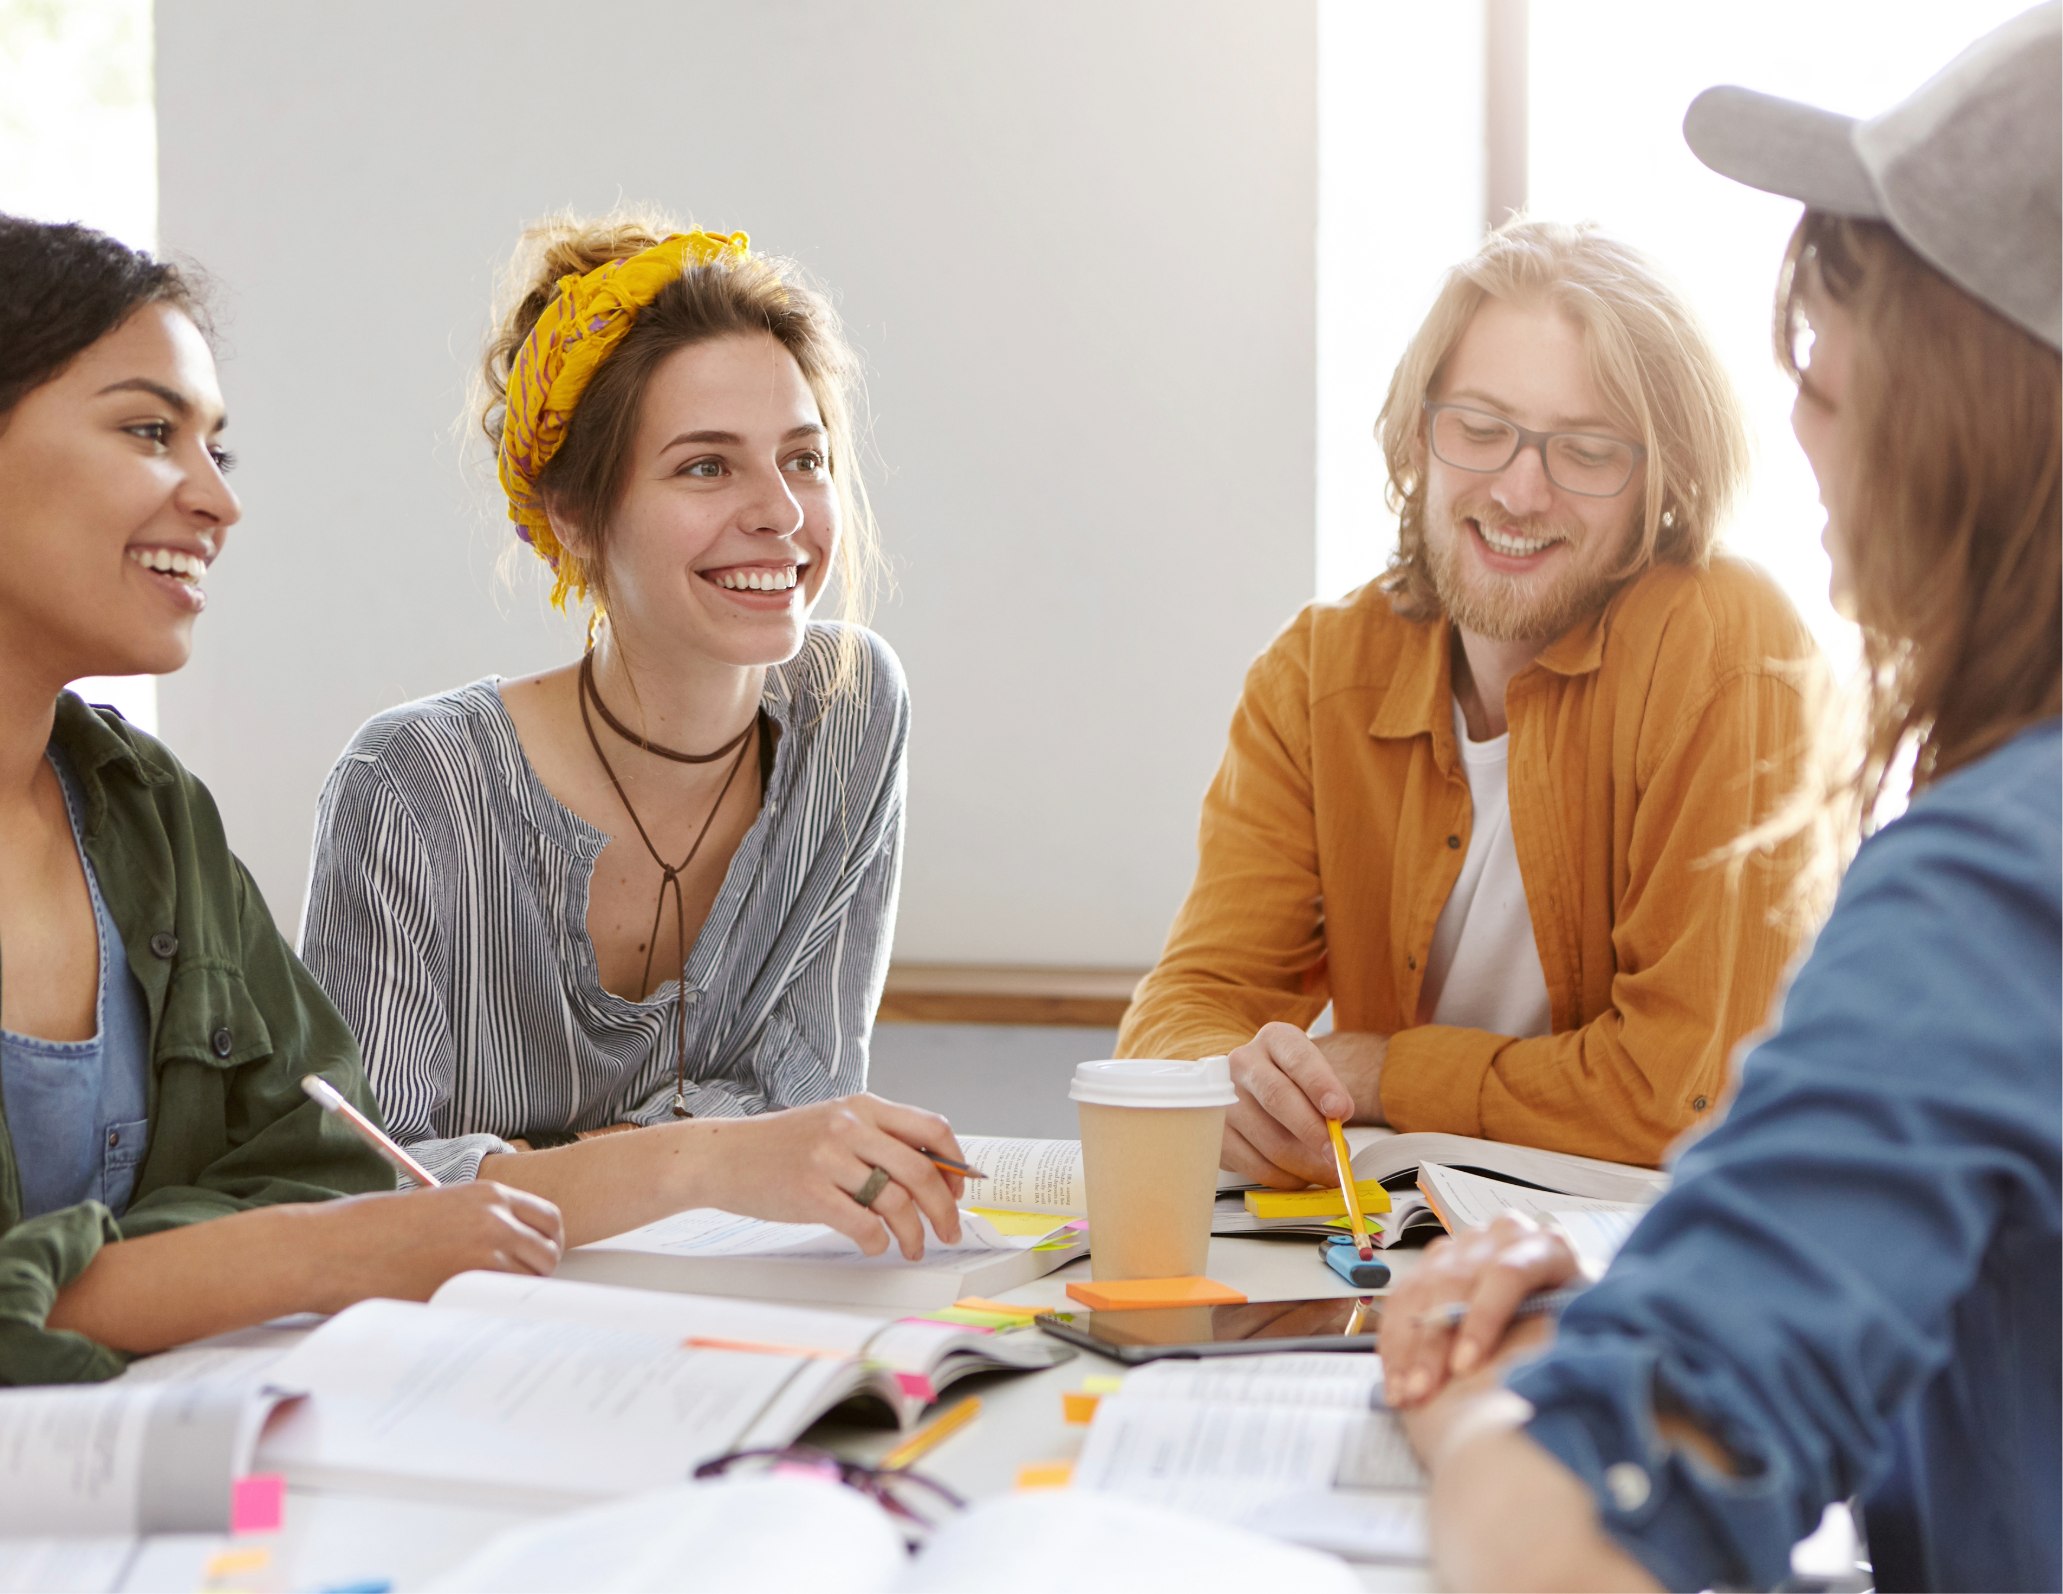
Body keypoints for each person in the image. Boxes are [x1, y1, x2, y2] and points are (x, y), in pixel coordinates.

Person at [1379, 9, 2061, 1590]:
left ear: (1959, 416)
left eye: (1818, 375)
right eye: (1478, 430)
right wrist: (1670, 1292)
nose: (1804, 434)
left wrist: (1502, 1401)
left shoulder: (1990, 885)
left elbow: (1573, 1550)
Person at [301, 215, 967, 1257]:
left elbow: (806, 1101)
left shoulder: (852, 711)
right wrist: (698, 1158)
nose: (782, 515)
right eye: (706, 468)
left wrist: (539, 1166)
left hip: (738, 1317)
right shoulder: (412, 787)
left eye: (804, 459)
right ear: (573, 517)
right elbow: (368, 1189)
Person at [1119, 219, 1821, 1186]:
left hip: (1676, 1260)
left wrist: (1379, 1070)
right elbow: (1191, 1000)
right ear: (1419, 437)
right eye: (1480, 430)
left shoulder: (1724, 643)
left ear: (1660, 481)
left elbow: (1679, 1096)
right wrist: (1227, 1085)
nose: (1519, 491)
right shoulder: (1317, 673)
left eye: (1585, 450)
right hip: (1411, 1248)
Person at [0, 215, 565, 1385]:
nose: (218, 501)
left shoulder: (149, 809)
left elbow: (327, 1158)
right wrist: (299, 1257)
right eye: (151, 431)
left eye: (218, 448)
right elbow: (334, 1222)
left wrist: (158, 1276)